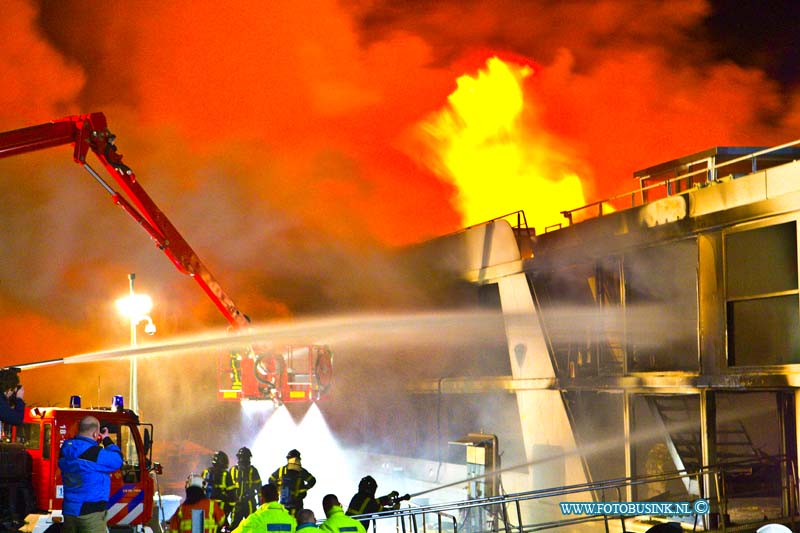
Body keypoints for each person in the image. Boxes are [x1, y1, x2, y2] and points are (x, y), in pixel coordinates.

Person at [58, 416, 123, 533]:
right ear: (95, 434)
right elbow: (117, 460)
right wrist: (107, 440)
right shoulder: (94, 453)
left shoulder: (66, 449)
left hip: (69, 511)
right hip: (90, 513)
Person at [269, 449, 316, 515]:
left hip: (295, 505)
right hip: (287, 505)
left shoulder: (301, 471)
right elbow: (271, 480)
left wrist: (303, 489)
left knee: (287, 523)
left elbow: (312, 481)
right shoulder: (282, 470)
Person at [230, 447, 262, 529]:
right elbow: (229, 489)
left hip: (249, 503)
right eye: (241, 457)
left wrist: (261, 503)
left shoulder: (253, 471)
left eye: (245, 457)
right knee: (234, 527)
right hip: (237, 504)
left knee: (252, 526)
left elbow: (259, 489)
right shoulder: (233, 470)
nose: (243, 460)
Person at [203, 450, 234, 522]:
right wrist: (229, 509)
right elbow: (231, 496)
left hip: (206, 508)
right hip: (220, 509)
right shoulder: (226, 475)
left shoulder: (205, 472)